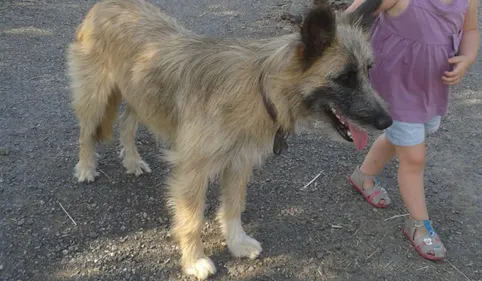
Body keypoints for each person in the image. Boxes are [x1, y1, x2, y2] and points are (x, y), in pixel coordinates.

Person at [345, 0, 480, 260]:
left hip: (430, 90)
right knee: (414, 158)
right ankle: (419, 225)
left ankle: (363, 176)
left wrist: (468, 56)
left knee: (402, 139)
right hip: (394, 89)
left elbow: (470, 30)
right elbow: (349, 18)